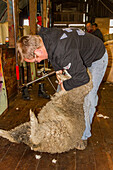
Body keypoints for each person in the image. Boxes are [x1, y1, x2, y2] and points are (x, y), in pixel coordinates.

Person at [17, 27, 108, 150]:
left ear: (38, 52)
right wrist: (58, 70)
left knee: (89, 98)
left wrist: (65, 85)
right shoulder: (43, 36)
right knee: (60, 94)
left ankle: (83, 135)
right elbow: (52, 53)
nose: (38, 61)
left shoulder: (64, 52)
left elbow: (83, 78)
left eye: (36, 60)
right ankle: (55, 124)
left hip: (96, 57)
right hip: (77, 54)